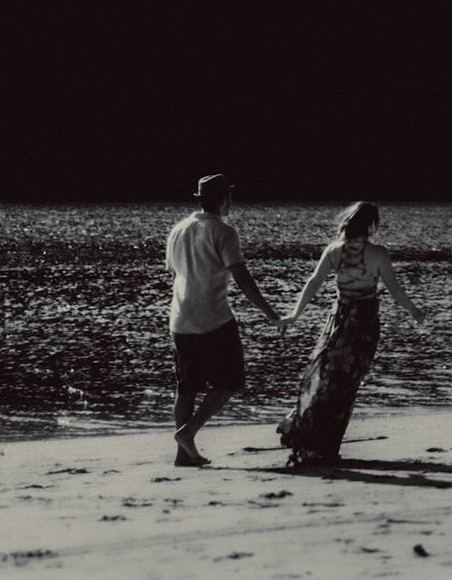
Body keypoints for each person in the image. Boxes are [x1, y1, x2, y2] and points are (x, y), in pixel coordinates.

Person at [277, 201, 426, 465]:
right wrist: (414, 311)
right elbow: (395, 290)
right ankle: (325, 445)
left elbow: (313, 283)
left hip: (338, 323)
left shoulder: (334, 251)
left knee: (323, 379)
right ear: (371, 225)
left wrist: (294, 315)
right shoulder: (379, 253)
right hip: (364, 326)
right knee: (345, 387)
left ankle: (306, 436)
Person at [165, 173, 281, 467]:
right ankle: (188, 433)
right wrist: (271, 314)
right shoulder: (224, 232)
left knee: (187, 387)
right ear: (223, 199)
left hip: (179, 318)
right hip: (212, 319)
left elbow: (174, 272)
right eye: (230, 196)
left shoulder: (178, 229)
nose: (232, 202)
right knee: (230, 382)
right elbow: (243, 279)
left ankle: (183, 455)